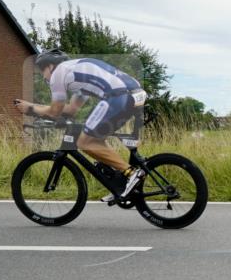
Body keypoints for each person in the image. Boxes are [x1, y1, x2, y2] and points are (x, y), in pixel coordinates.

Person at [14, 49, 147, 201]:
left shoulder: (58, 73)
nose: (43, 76)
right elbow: (71, 110)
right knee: (94, 139)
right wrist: (40, 109)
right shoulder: (76, 74)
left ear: (50, 66)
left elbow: (54, 112)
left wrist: (30, 108)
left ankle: (131, 173)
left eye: (42, 70)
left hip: (119, 96)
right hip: (135, 94)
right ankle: (120, 182)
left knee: (85, 142)